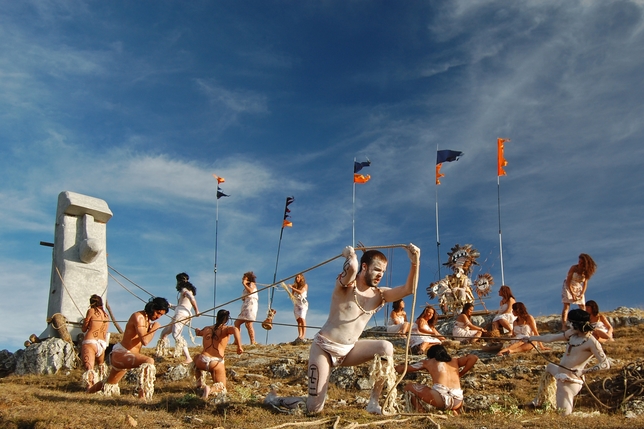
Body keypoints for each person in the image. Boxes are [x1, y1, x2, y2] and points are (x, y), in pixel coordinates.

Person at [306, 243, 420, 414]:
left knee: (386, 347)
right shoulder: (346, 285)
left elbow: (409, 289)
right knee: (313, 409)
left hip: (349, 351)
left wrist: (414, 262)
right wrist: (350, 256)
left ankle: (373, 402)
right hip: (324, 348)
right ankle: (279, 401)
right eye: (377, 270)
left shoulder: (380, 294)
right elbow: (351, 268)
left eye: (383, 271)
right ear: (364, 267)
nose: (380, 275)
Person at [524, 309, 610, 415]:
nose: (568, 324)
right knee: (550, 367)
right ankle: (540, 400)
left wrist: (583, 371)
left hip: (570, 382)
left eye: (570, 322)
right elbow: (551, 338)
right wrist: (531, 338)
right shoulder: (571, 334)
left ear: (577, 324)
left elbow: (605, 364)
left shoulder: (592, 342)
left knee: (564, 416)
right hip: (560, 373)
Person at [88, 297, 169, 400]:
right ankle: (142, 397)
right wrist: (154, 328)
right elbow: (145, 341)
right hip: (122, 353)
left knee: (110, 381)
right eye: (158, 313)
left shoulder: (147, 320)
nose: (158, 317)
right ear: (152, 308)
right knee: (149, 361)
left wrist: (152, 327)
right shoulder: (139, 317)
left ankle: (89, 391)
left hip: (128, 355)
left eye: (161, 315)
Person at [395, 344, 478, 413]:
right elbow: (473, 357)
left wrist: (392, 367)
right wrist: (461, 373)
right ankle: (454, 411)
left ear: (430, 355)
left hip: (440, 397)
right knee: (450, 400)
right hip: (458, 399)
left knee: (409, 387)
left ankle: (421, 412)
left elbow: (403, 369)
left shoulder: (428, 362)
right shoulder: (455, 360)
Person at [193, 309, 243, 399]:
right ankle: (210, 390)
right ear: (227, 319)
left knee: (196, 358)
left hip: (202, 360)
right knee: (222, 386)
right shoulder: (226, 329)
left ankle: (199, 382)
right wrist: (239, 346)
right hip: (216, 362)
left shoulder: (207, 328)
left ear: (216, 317)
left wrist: (197, 331)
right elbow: (236, 329)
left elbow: (199, 333)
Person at [157, 273, 200, 363]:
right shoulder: (184, 291)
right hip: (181, 313)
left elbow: (191, 297)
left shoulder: (185, 290)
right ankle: (161, 352)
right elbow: (180, 306)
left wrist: (197, 311)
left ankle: (188, 358)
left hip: (181, 315)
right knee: (164, 333)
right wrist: (170, 305)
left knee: (176, 335)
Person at [80, 294, 110, 389]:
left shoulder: (91, 311)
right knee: (101, 366)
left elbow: (84, 329)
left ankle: (90, 387)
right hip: (102, 343)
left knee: (90, 368)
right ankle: (103, 386)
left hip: (91, 341)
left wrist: (85, 321)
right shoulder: (106, 316)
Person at [561, 254, 597, 330]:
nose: (579, 263)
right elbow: (568, 280)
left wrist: (582, 293)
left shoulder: (586, 271)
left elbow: (585, 284)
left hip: (578, 287)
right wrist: (572, 293)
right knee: (566, 306)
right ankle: (564, 325)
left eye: (582, 262)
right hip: (568, 285)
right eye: (579, 261)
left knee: (582, 306)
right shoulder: (574, 268)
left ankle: (584, 323)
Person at [234, 271, 259, 345]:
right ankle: (236, 341)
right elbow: (243, 298)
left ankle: (252, 342)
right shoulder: (245, 288)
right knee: (237, 323)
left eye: (244, 278)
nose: (243, 279)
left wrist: (244, 284)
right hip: (245, 305)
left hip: (251, 304)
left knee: (248, 324)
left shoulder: (252, 284)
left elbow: (251, 291)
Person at [288, 273, 309, 343]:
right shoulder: (295, 286)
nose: (297, 279)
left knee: (302, 318)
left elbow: (300, 292)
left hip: (303, 304)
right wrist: (290, 290)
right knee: (298, 320)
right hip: (296, 304)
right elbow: (292, 296)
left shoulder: (305, 285)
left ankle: (303, 335)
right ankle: (300, 335)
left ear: (301, 278)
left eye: (298, 277)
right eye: (296, 277)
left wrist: (292, 288)